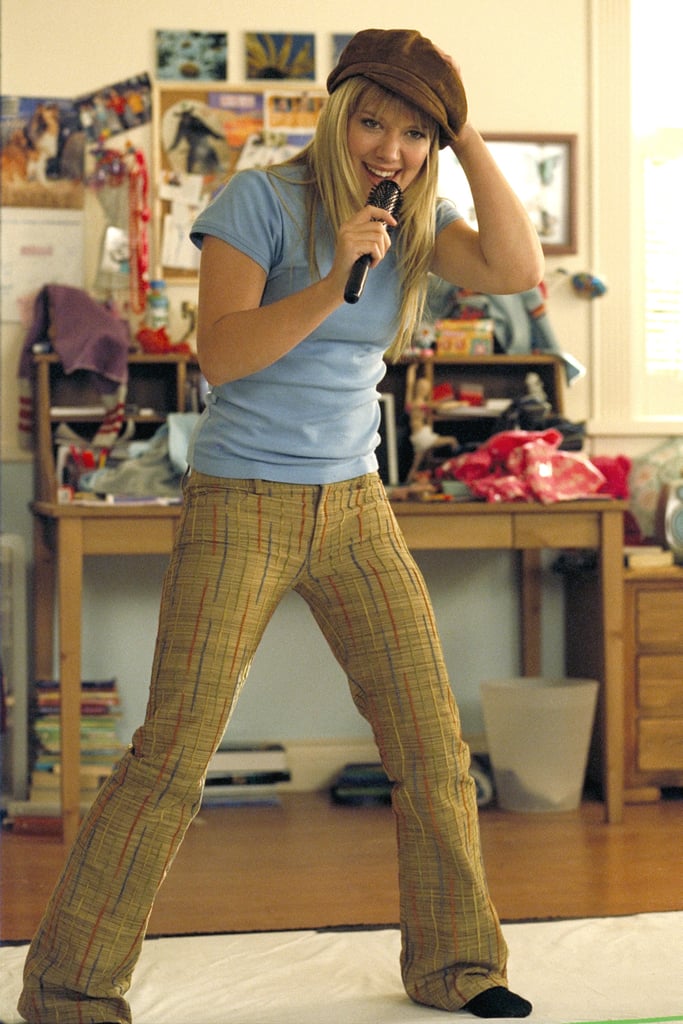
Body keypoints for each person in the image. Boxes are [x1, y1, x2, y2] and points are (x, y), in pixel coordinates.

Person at [18, 28, 543, 1023]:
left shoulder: (418, 225)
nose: (389, 146)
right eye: (374, 121)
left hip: (353, 504)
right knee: (173, 750)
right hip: (241, 499)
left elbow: (515, 268)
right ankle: (70, 988)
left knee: (432, 741)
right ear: (338, 111)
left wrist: (466, 136)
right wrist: (330, 276)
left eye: (413, 131)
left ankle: (456, 967)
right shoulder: (259, 201)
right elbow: (222, 354)